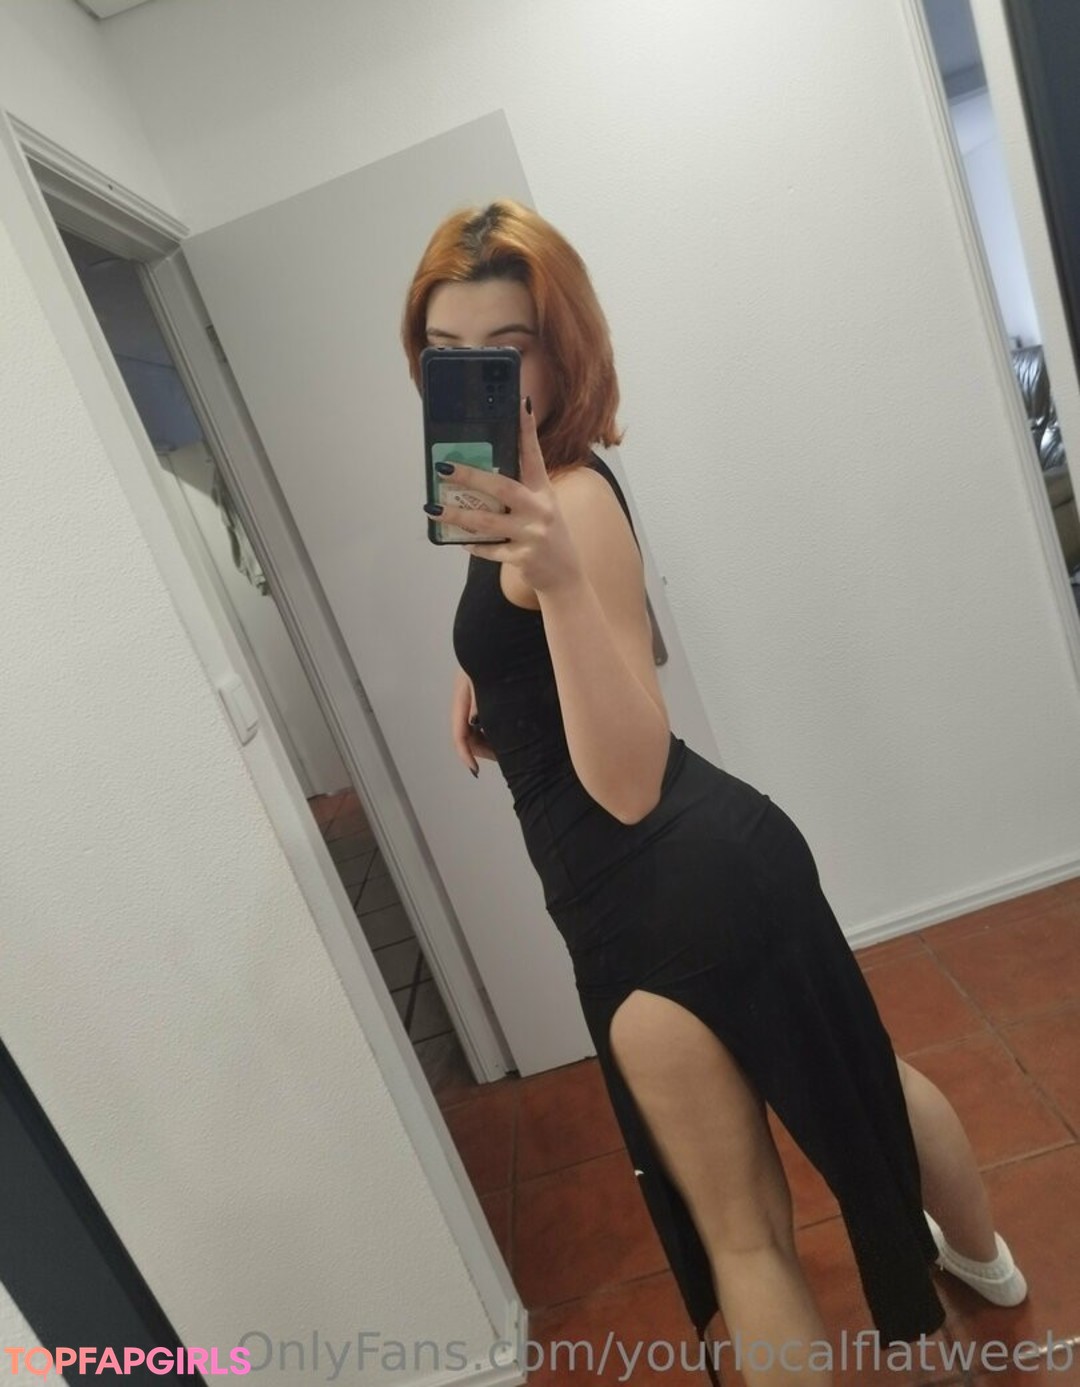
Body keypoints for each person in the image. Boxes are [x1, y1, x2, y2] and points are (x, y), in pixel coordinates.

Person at [401, 199, 1027, 1387]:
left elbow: (628, 782)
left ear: (560, 352)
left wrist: (561, 588)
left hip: (661, 894)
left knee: (748, 1238)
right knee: (870, 1088)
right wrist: (487, 673)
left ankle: (977, 1268)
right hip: (713, 871)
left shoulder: (568, 511)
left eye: (506, 348)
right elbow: (576, 633)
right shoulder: (538, 495)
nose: (472, 374)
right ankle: (987, 1264)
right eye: (444, 350)